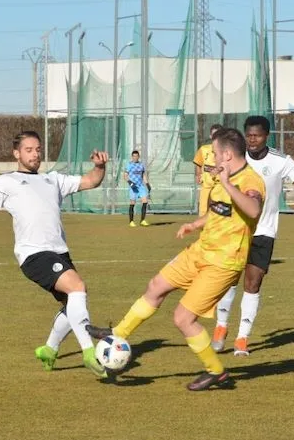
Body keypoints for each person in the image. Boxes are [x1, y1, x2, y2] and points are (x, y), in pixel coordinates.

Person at [87, 128, 266, 391]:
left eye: (215, 154)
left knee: (183, 318)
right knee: (155, 286)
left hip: (223, 263)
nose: (212, 158)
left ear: (227, 155)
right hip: (200, 251)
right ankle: (118, 335)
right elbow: (221, 211)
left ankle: (216, 371)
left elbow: (252, 208)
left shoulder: (251, 180)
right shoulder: (222, 176)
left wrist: (227, 183)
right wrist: (195, 224)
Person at [0, 130, 109, 378]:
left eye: (38, 149)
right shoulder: (6, 181)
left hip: (59, 252)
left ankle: (49, 350)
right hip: (33, 255)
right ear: (16, 153)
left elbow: (91, 181)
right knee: (77, 287)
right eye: (29, 150)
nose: (35, 154)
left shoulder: (53, 180)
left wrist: (100, 167)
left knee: (71, 303)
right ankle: (88, 351)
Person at [212, 115, 294, 356]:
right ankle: (220, 327)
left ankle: (242, 338)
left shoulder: (280, 161)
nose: (252, 140)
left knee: (253, 282)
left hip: (264, 230)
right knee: (228, 279)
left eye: (257, 135)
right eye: (248, 135)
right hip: (235, 228)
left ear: (266, 136)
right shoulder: (237, 156)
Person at [192, 123, 224, 216]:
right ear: (210, 136)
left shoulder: (226, 149)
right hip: (207, 184)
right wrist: (198, 174)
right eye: (214, 134)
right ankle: (203, 227)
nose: (216, 137)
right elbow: (198, 162)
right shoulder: (203, 149)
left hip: (221, 185)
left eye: (219, 134)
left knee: (220, 209)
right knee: (203, 208)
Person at [124, 150, 150, 227]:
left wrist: (147, 183)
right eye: (134, 156)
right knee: (132, 203)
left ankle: (142, 220)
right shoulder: (129, 165)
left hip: (141, 186)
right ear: (132, 157)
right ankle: (131, 221)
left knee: (145, 201)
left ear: (138, 157)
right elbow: (125, 176)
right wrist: (130, 183)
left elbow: (143, 175)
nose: (135, 157)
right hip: (133, 186)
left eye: (136, 156)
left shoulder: (141, 165)